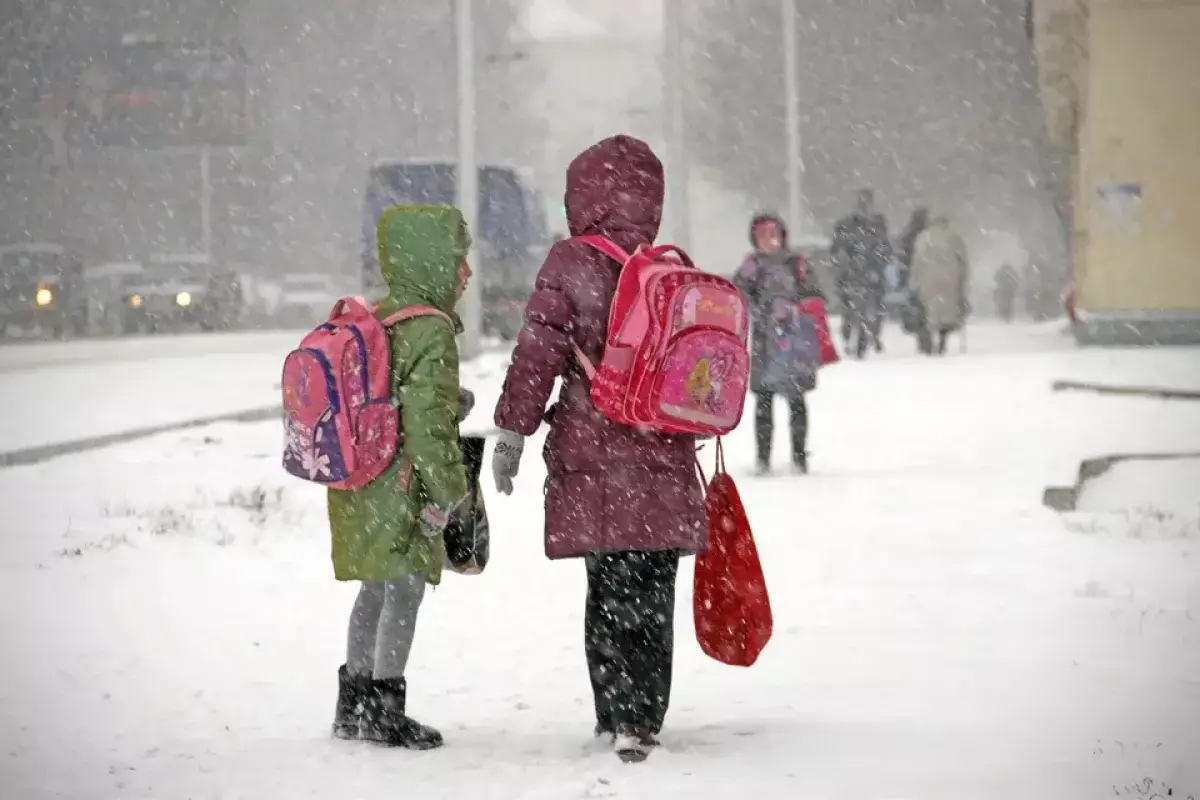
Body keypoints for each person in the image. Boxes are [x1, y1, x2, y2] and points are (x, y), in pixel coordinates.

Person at [490, 135, 707, 763]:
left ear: (582, 195)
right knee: (654, 590)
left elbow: (539, 352)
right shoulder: (671, 266)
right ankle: (645, 716)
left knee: (608, 588)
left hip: (594, 453)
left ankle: (615, 713)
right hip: (663, 452)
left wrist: (513, 429)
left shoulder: (570, 261)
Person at [329, 204, 474, 750]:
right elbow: (428, 428)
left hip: (364, 476)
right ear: (434, 261)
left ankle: (353, 704)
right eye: (460, 261)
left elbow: (390, 392)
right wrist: (450, 494)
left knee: (375, 586)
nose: (467, 273)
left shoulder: (380, 317)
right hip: (404, 482)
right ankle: (387, 711)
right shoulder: (432, 331)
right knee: (405, 590)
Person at [734, 212, 829, 475]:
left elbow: (815, 294)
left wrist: (796, 308)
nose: (770, 241)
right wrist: (757, 305)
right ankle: (763, 458)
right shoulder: (751, 266)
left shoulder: (796, 264)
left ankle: (799, 457)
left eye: (774, 235)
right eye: (763, 236)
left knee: (796, 400)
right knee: (764, 401)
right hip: (765, 342)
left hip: (794, 342)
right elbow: (737, 294)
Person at [831, 188, 892, 358]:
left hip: (863, 276)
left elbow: (884, 250)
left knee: (862, 311)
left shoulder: (872, 226)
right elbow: (838, 250)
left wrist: (876, 267)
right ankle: (859, 337)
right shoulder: (852, 226)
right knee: (857, 311)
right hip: (857, 276)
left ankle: (862, 341)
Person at [910, 211, 970, 355]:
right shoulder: (954, 237)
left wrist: (914, 278)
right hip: (950, 279)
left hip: (928, 279)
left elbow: (917, 260)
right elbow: (963, 261)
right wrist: (963, 279)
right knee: (947, 312)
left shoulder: (924, 237)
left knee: (931, 310)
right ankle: (943, 339)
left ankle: (930, 337)